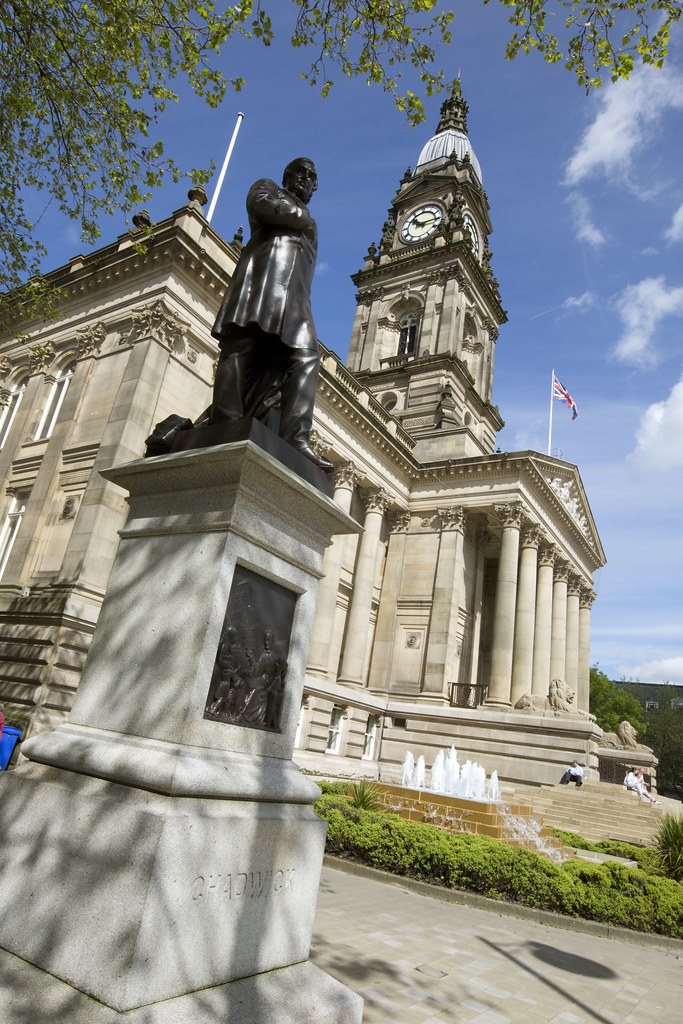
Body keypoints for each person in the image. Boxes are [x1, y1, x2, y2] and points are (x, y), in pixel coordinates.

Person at [211, 157, 333, 472]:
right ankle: (226, 419)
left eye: (312, 177)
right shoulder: (268, 188)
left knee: (306, 356)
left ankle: (295, 438)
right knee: (242, 344)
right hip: (261, 283)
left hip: (294, 301)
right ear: (287, 176)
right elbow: (261, 205)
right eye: (301, 173)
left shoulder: (313, 223)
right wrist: (300, 215)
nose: (306, 180)